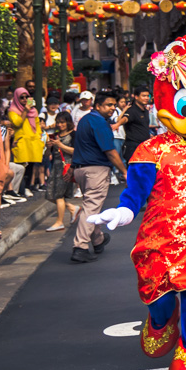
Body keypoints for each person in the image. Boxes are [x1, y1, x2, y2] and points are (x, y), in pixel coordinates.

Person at [88, 37, 186, 370]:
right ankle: (160, 320)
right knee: (160, 295)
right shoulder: (149, 149)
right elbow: (135, 193)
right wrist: (122, 212)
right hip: (159, 240)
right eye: (184, 101)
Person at [69, 91, 128, 264]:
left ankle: (98, 239)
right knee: (91, 207)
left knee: (91, 205)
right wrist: (124, 171)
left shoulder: (85, 120)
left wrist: (72, 168)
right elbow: (110, 151)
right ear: (98, 106)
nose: (112, 108)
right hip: (96, 169)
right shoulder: (99, 123)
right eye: (108, 105)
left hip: (81, 168)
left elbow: (79, 146)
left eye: (113, 105)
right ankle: (79, 247)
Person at [43, 111, 76, 232]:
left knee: (58, 195)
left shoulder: (73, 135)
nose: (60, 125)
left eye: (62, 122)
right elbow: (48, 155)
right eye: (58, 122)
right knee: (50, 194)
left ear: (68, 123)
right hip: (55, 167)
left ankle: (59, 222)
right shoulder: (55, 135)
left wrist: (60, 145)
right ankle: (72, 208)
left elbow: (75, 151)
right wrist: (49, 147)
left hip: (66, 166)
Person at [6, 88, 44, 197]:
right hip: (21, 142)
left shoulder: (34, 111)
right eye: (21, 97)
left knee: (31, 165)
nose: (24, 99)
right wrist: (25, 111)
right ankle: (17, 190)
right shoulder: (12, 111)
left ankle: (26, 187)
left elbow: (37, 125)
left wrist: (38, 136)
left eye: (26, 97)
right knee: (21, 166)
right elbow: (17, 123)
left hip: (33, 141)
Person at [117, 86, 153, 163]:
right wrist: (117, 124)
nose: (146, 98)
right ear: (136, 97)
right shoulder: (132, 110)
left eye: (147, 96)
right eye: (143, 96)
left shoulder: (145, 110)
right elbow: (125, 119)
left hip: (144, 146)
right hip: (133, 148)